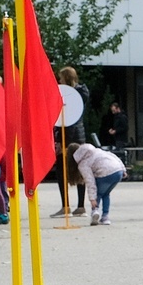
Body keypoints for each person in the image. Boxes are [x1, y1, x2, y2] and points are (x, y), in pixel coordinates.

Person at [55, 66, 90, 215]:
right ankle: (80, 206)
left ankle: (66, 206)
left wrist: (63, 142)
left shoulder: (70, 96)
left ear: (66, 78)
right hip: (79, 136)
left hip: (69, 136)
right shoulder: (81, 94)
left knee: (62, 171)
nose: (59, 80)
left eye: (61, 78)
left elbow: (70, 121)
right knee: (79, 170)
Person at [69, 142, 127, 225]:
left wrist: (92, 199)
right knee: (106, 194)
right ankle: (105, 217)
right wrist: (123, 169)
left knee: (98, 193)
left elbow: (90, 181)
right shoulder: (97, 150)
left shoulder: (83, 164)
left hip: (104, 173)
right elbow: (113, 156)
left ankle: (95, 211)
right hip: (118, 171)